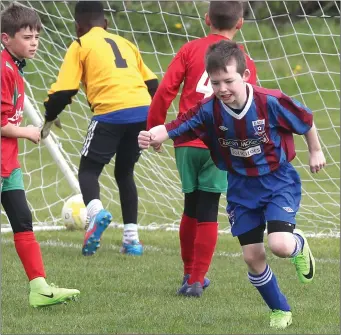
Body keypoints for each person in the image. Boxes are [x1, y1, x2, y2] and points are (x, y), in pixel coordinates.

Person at [138, 40, 326, 329]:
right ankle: (280, 310)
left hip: (277, 181)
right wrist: (153, 134)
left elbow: (306, 120)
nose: (222, 88)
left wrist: (315, 151)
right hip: (240, 187)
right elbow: (177, 125)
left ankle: (298, 245)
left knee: (280, 245)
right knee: (252, 257)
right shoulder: (209, 110)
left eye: (229, 81)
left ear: (245, 76)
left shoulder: (269, 101)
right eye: (216, 83)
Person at [147, 1, 257, 297]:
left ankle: (187, 274)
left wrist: (156, 129)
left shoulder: (189, 49)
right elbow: (249, 105)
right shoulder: (242, 59)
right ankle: (196, 279)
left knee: (190, 206)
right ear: (240, 23)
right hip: (219, 143)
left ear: (207, 18)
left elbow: (165, 91)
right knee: (208, 208)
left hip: (185, 141)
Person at [41, 1, 159, 256]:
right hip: (142, 112)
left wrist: (49, 115)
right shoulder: (125, 43)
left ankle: (95, 213)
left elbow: (63, 91)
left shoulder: (80, 44)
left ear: (77, 27)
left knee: (89, 170)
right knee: (125, 172)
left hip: (110, 112)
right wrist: (155, 120)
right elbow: (153, 83)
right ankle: (132, 241)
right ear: (105, 24)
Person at [1, 2, 80, 308]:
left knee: (23, 221)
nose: (34, 42)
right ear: (7, 39)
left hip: (9, 165)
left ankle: (40, 289)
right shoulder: (3, 69)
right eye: (26, 36)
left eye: (36, 36)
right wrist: (28, 131)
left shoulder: (14, 70)